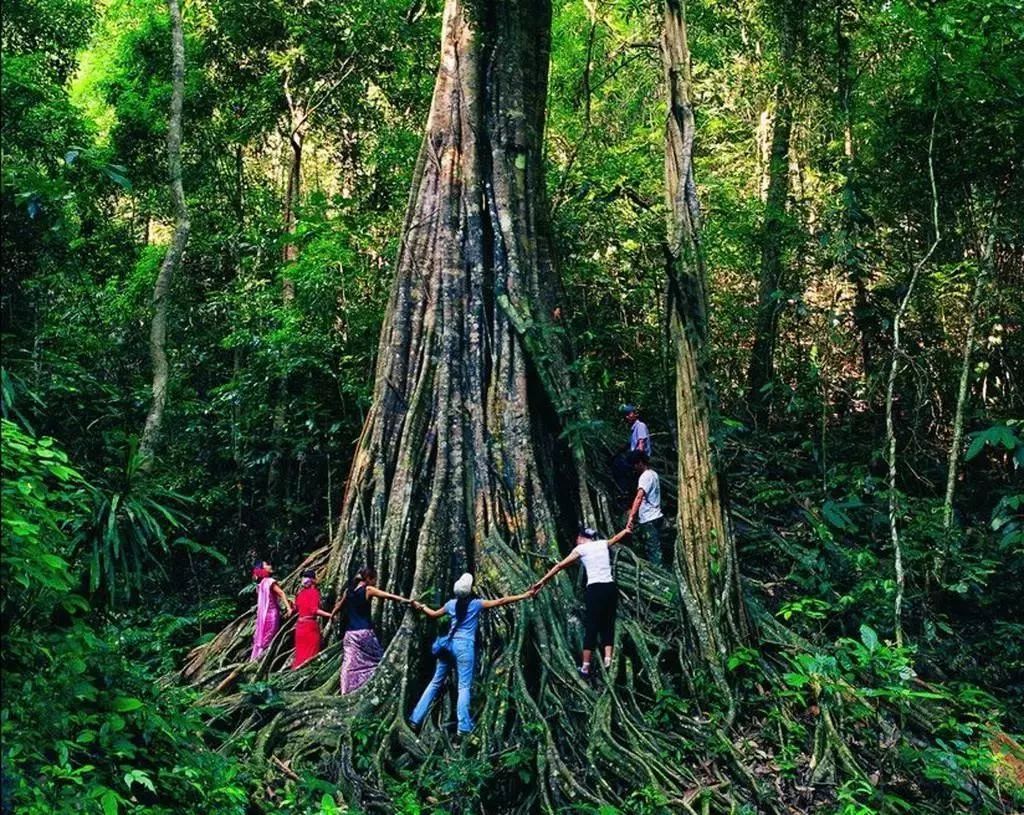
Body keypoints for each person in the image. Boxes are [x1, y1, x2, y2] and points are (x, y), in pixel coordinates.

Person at [408, 573, 534, 737]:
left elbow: (432, 614)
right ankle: (463, 727)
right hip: (464, 648)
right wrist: (524, 595)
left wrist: (421, 606)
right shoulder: (476, 604)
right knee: (464, 687)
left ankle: (415, 718)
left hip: (448, 645)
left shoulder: (451, 604)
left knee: (435, 683)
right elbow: (501, 601)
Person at [531, 525, 629, 679]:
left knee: (592, 625)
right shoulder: (602, 543)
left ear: (581, 538)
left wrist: (541, 582)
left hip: (595, 589)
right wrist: (626, 529)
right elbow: (616, 538)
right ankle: (608, 660)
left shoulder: (580, 550)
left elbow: (559, 566)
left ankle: (585, 667)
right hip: (610, 588)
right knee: (608, 623)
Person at [339, 566, 411, 693]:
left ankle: (346, 690)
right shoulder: (367, 589)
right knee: (377, 660)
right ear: (368, 578)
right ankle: (375, 687)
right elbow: (387, 596)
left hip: (349, 634)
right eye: (375, 579)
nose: (376, 582)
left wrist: (332, 615)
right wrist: (406, 601)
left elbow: (340, 605)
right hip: (364, 632)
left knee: (349, 663)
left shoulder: (348, 591)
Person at [250, 560, 293, 662]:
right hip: (272, 615)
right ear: (262, 569)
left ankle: (257, 659)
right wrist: (289, 608)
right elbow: (281, 593)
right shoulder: (269, 581)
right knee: (269, 639)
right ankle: (261, 661)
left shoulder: (259, 585)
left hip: (262, 617)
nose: (270, 566)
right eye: (267, 565)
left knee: (263, 638)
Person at [626, 450, 664, 566]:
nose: (634, 467)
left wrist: (631, 517)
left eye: (635, 464)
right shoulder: (654, 474)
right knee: (653, 546)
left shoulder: (645, 476)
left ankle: (658, 576)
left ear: (640, 463)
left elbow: (639, 497)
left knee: (653, 550)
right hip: (656, 516)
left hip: (649, 519)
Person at [292, 569, 334, 669]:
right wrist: (330, 615)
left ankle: (297, 673)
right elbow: (314, 610)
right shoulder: (314, 592)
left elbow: (296, 608)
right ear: (313, 580)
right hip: (310, 627)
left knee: (300, 654)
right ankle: (307, 674)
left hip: (300, 627)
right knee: (311, 654)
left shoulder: (300, 594)